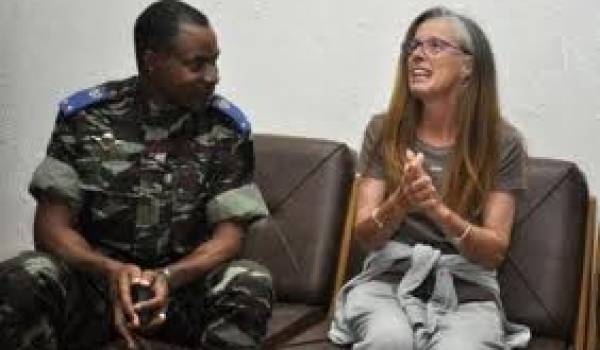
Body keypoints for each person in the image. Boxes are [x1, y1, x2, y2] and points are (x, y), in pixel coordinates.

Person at [0, 1, 273, 349]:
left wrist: (168, 277)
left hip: (181, 292)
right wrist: (110, 271)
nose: (212, 76)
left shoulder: (225, 130)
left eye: (214, 60)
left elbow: (229, 238)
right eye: (197, 64)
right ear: (152, 61)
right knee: (23, 275)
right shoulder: (86, 119)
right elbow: (51, 229)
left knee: (250, 280)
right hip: (96, 290)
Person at [329, 7, 530, 350]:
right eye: (414, 46)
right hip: (386, 283)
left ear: (468, 66)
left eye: (435, 46)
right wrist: (401, 201)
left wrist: (438, 210)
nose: (418, 54)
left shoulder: (503, 142)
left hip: (466, 292)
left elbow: (493, 252)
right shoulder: (383, 130)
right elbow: (364, 235)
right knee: (388, 341)